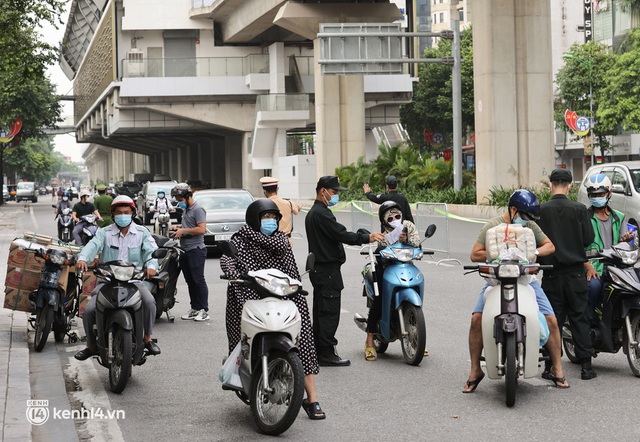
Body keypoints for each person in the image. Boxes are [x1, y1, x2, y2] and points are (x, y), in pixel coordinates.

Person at [220, 199, 326, 420]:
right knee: (243, 338)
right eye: (265, 217)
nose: (270, 221)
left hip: (283, 294)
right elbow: (227, 259)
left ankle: (312, 398)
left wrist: (296, 287)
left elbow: (292, 271)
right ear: (254, 219)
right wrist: (232, 273)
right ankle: (243, 374)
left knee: (304, 337)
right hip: (249, 293)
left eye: (273, 218)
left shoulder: (282, 241)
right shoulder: (240, 240)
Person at [463, 189, 570, 392]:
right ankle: (475, 370)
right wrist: (499, 253)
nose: (526, 221)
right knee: (476, 319)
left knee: (552, 320)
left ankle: (557, 368)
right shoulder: (492, 226)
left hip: (526, 281)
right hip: (496, 281)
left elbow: (550, 246)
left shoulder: (530, 227)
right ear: (513, 210)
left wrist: (533, 251)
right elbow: (475, 254)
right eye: (525, 216)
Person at [305, 175, 385, 367]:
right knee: (329, 312)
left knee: (321, 310)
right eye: (333, 192)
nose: (335, 196)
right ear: (322, 191)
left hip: (321, 270)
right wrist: (366, 237)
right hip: (327, 270)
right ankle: (326, 353)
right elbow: (340, 233)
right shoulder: (321, 214)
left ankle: (319, 350)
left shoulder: (314, 213)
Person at [74, 195, 161, 360]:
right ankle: (92, 345)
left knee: (149, 302)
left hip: (134, 281)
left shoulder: (142, 233)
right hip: (108, 281)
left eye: (126, 212)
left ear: (132, 213)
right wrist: (82, 258)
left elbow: (151, 252)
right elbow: (92, 246)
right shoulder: (104, 232)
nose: (123, 215)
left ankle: (148, 339)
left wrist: (151, 267)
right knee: (89, 311)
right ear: (113, 214)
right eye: (119, 212)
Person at [537, 169, 597, 380]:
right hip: (575, 274)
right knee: (580, 318)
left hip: (551, 274)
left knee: (553, 321)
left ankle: (549, 366)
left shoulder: (541, 210)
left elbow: (537, 242)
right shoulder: (579, 209)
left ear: (551, 184)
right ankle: (586, 367)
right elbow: (588, 239)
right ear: (570, 185)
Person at [364, 201, 420, 361]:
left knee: (416, 288)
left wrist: (407, 238)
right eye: (391, 217)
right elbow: (378, 249)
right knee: (379, 298)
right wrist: (390, 241)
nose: (395, 219)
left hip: (407, 265)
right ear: (384, 220)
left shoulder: (408, 225)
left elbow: (417, 244)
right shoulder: (383, 231)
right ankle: (369, 341)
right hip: (387, 267)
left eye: (397, 216)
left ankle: (417, 338)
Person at [583, 174, 634, 321]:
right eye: (593, 194)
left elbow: (625, 246)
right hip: (595, 268)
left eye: (601, 194)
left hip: (616, 268)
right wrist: (588, 267)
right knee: (594, 287)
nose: (597, 197)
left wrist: (626, 241)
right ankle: (591, 321)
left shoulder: (619, 217)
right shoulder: (585, 218)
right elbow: (577, 247)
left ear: (609, 194)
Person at [171, 183, 210, 321]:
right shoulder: (186, 210)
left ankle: (204, 310)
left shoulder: (198, 209)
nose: (178, 202)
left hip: (196, 250)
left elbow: (201, 229)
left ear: (187, 197)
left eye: (180, 199)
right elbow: (189, 225)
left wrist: (184, 231)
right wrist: (178, 227)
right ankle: (195, 308)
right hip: (185, 250)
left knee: (198, 280)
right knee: (190, 282)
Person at [259, 176, 302, 245]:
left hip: (268, 242)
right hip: (286, 241)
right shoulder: (288, 203)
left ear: (264, 191)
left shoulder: (262, 205)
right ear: (277, 189)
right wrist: (299, 207)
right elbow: (296, 211)